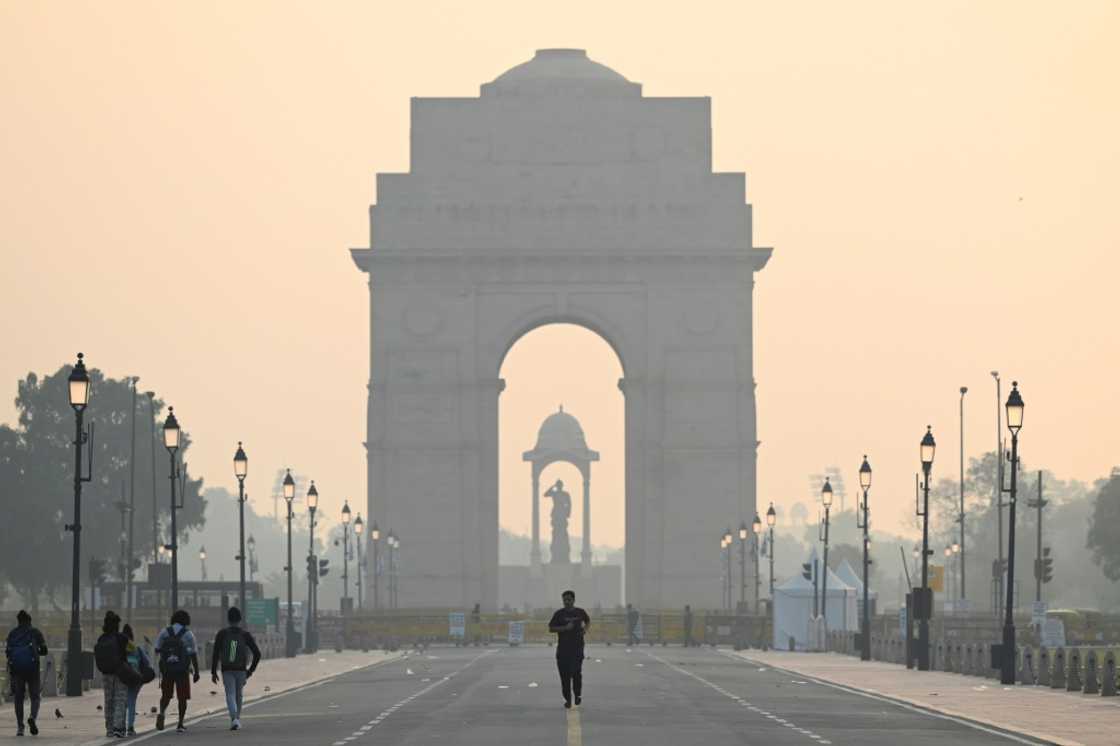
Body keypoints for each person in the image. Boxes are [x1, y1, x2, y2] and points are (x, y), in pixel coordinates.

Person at [210, 607, 261, 731]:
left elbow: (216, 653)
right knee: (239, 695)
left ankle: (234, 719)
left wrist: (213, 671)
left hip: (227, 669)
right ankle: (236, 719)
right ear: (240, 619)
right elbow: (257, 653)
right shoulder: (245, 635)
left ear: (228, 619)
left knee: (230, 694)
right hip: (241, 669)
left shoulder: (221, 634)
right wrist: (250, 671)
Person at [154, 610, 200, 733]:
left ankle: (162, 713)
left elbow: (157, 649)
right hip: (182, 670)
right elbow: (193, 654)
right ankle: (180, 723)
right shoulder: (188, 634)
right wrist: (196, 671)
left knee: (166, 695)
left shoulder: (164, 632)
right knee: (182, 697)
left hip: (167, 669)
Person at [5, 610, 47, 737]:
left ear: (18, 621)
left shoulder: (12, 633)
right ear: (29, 620)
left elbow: (8, 653)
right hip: (32, 669)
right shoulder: (35, 632)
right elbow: (44, 650)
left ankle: (20, 727)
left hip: (17, 670)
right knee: (35, 697)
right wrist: (36, 652)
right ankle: (32, 718)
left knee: (18, 698)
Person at [548, 590, 590, 709]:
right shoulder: (559, 614)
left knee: (576, 673)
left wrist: (585, 629)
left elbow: (587, 621)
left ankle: (577, 695)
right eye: (565, 600)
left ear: (573, 600)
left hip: (577, 649)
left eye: (569, 600)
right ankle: (567, 699)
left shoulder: (580, 612)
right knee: (564, 676)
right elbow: (551, 628)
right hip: (563, 650)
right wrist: (565, 628)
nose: (567, 602)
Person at [94, 611, 129, 738]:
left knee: (108, 701)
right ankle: (118, 728)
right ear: (117, 625)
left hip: (106, 673)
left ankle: (109, 729)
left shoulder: (101, 639)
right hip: (120, 672)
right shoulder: (122, 638)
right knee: (120, 699)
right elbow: (132, 649)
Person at [122, 624, 152, 737]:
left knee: (121, 702)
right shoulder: (137, 648)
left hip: (122, 678)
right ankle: (130, 727)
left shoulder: (120, 648)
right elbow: (147, 663)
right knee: (131, 701)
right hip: (136, 678)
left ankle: (120, 726)